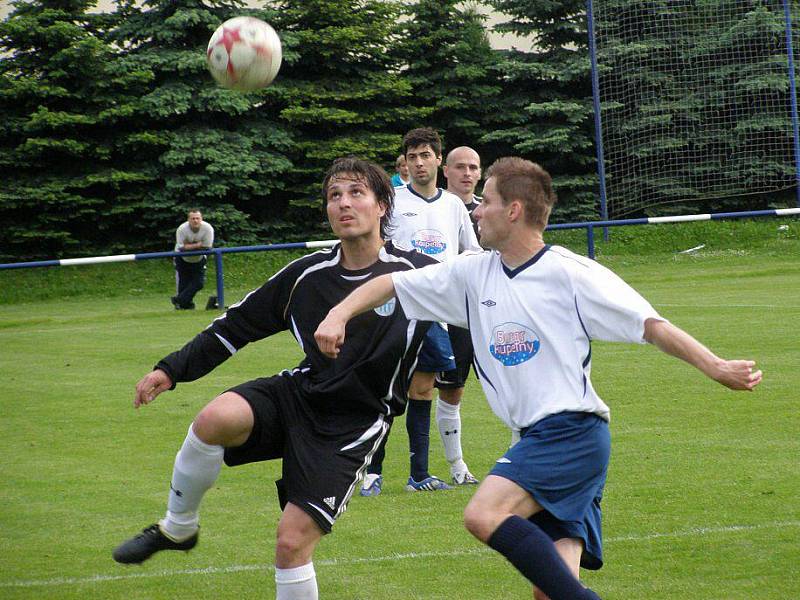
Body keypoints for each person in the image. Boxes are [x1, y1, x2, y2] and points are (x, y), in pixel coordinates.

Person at [314, 157, 762, 600]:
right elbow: (392, 284)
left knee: (483, 514)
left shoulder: (570, 273)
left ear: (513, 210)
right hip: (537, 438)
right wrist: (338, 313)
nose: (475, 210)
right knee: (548, 592)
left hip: (570, 433)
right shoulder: (473, 273)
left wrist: (717, 366)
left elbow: (651, 325)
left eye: (485, 201)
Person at [112, 158, 437, 600]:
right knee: (215, 419)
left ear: (383, 205)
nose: (343, 203)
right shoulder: (305, 276)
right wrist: (170, 370)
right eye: (333, 196)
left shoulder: (424, 273)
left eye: (356, 193)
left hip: (354, 422)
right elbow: (234, 327)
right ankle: (178, 528)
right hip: (299, 394)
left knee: (291, 543)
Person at [359, 127, 482, 496]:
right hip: (394, 307)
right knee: (384, 388)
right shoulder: (391, 201)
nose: (418, 163)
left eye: (425, 155)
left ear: (438, 160)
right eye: (412, 157)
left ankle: (418, 475)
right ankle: (370, 473)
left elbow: (471, 251)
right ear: (405, 163)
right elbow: (371, 247)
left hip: (435, 310)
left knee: (423, 388)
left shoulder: (453, 206)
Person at [172, 209, 214, 310]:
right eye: (193, 218)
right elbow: (181, 248)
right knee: (183, 283)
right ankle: (185, 306)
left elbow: (207, 247)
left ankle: (178, 300)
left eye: (197, 218)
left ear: (201, 219)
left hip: (199, 259)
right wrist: (198, 245)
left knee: (199, 283)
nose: (195, 221)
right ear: (188, 220)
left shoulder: (208, 228)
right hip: (181, 259)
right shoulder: (182, 229)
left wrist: (189, 246)